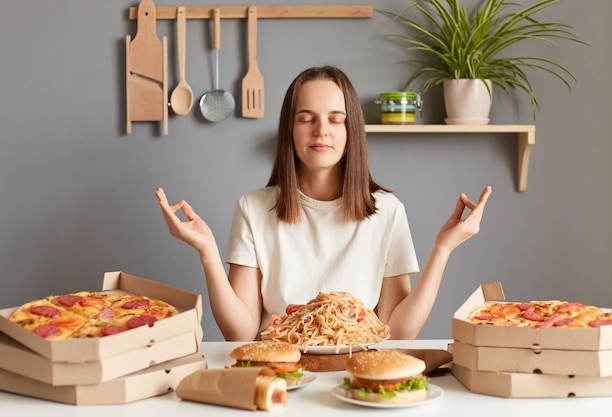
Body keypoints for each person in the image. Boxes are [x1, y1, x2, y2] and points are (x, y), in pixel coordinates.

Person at [156, 65, 492, 341]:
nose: (321, 131)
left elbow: (398, 331)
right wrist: (208, 252)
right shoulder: (253, 208)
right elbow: (240, 332)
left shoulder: (387, 211)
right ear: (290, 129)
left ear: (352, 130)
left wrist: (442, 250)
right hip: (281, 372)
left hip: (356, 373)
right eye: (306, 118)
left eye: (335, 118)